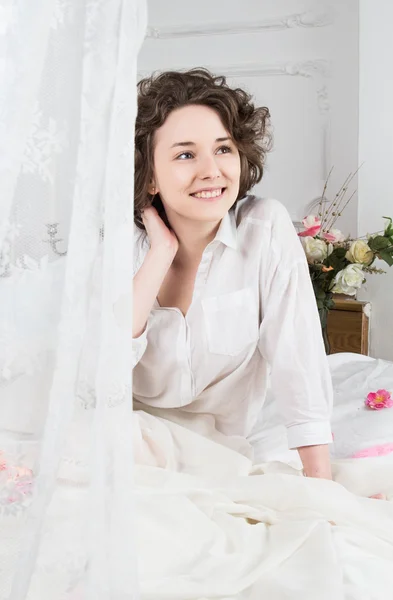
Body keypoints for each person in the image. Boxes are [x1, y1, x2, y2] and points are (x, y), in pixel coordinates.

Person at [131, 67, 337, 481]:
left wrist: (321, 484)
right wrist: (160, 254)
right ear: (151, 176)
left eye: (223, 149)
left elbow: (298, 357)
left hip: (219, 450)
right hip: (130, 439)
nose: (212, 171)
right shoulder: (121, 245)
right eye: (185, 154)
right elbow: (97, 375)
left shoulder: (264, 228)